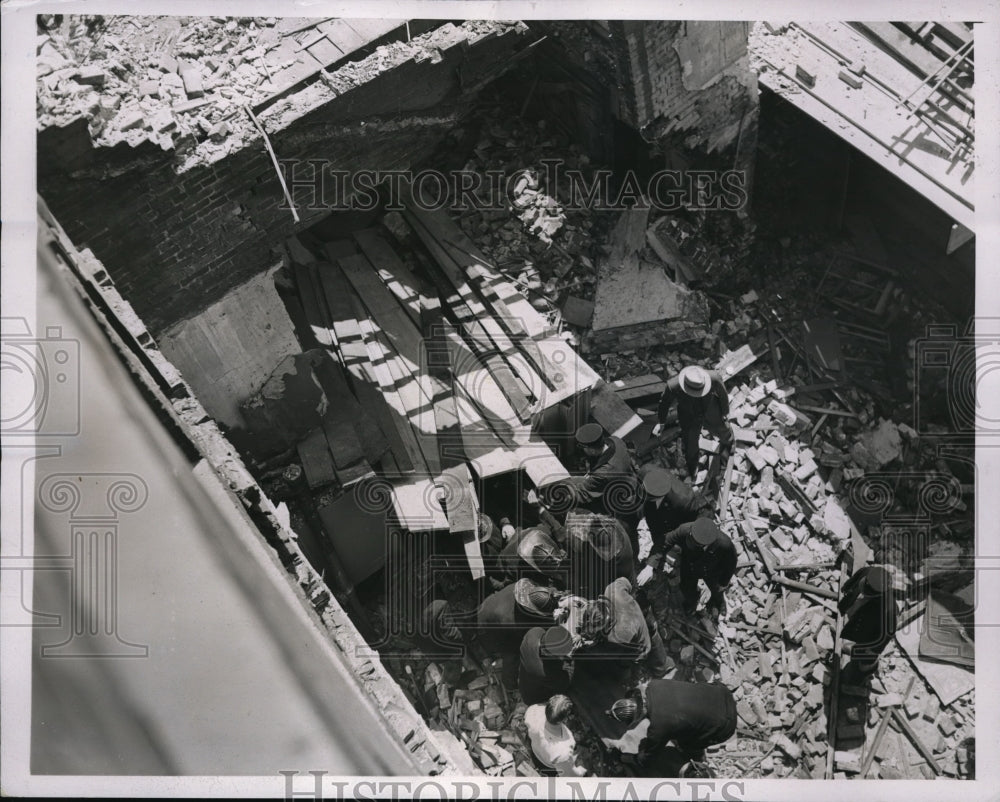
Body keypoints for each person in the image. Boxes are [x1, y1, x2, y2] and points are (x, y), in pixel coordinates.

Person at [608, 679, 737, 762]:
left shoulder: (658, 728)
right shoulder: (654, 685)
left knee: (685, 744)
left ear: (636, 719)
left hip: (726, 724)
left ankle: (697, 755)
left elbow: (649, 756)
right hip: (722, 692)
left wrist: (627, 758)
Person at [477, 578, 561, 687]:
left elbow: (547, 595)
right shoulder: (512, 623)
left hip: (492, 605)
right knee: (512, 655)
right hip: (486, 625)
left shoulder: (530, 589)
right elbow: (518, 645)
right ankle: (509, 684)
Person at [576, 577, 669, 676]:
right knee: (653, 631)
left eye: (593, 628)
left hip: (639, 643)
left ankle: (658, 670)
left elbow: (606, 653)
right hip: (644, 614)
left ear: (607, 623)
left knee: (634, 659)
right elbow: (626, 582)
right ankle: (660, 665)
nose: (589, 630)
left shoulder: (619, 635)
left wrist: (587, 647)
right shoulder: (613, 590)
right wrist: (630, 600)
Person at [655, 365, 732, 479]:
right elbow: (664, 404)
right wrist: (661, 423)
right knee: (690, 443)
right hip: (688, 415)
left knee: (721, 427)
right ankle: (692, 468)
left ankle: (730, 445)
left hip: (710, 408)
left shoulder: (714, 377)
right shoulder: (673, 386)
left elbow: (723, 394)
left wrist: (725, 412)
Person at [654, 517, 736, 615]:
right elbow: (665, 541)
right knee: (687, 589)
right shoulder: (684, 529)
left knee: (717, 589)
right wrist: (651, 565)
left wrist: (723, 582)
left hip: (712, 570)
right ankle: (691, 604)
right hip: (690, 567)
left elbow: (731, 563)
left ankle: (719, 602)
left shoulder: (724, 543)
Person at [565, 423, 640, 521]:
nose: (583, 450)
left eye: (584, 448)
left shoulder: (603, 474)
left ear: (592, 451)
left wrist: (564, 496)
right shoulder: (615, 440)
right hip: (630, 479)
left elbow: (584, 494)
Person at [838, 564, 898, 675]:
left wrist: (875, 651)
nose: (862, 593)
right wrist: (846, 589)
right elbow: (852, 581)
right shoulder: (868, 571)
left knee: (864, 663)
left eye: (867, 593)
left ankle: (869, 668)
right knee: (851, 635)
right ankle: (853, 646)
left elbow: (888, 633)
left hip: (867, 631)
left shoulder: (889, 609)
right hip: (857, 618)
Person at [639, 466, 712, 555]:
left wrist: (695, 537)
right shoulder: (645, 472)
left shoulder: (683, 499)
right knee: (654, 524)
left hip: (683, 515)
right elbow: (653, 522)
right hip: (661, 505)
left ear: (661, 496)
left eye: (647, 497)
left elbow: (705, 510)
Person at [523, 695, 588, 776]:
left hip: (536, 754)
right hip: (548, 766)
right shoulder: (563, 751)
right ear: (565, 719)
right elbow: (569, 775)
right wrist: (582, 770)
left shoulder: (534, 710)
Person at [518, 626, 575, 705]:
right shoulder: (545, 672)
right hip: (535, 698)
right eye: (560, 655)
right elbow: (563, 685)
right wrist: (570, 667)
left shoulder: (534, 632)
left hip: (524, 679)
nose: (562, 657)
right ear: (546, 653)